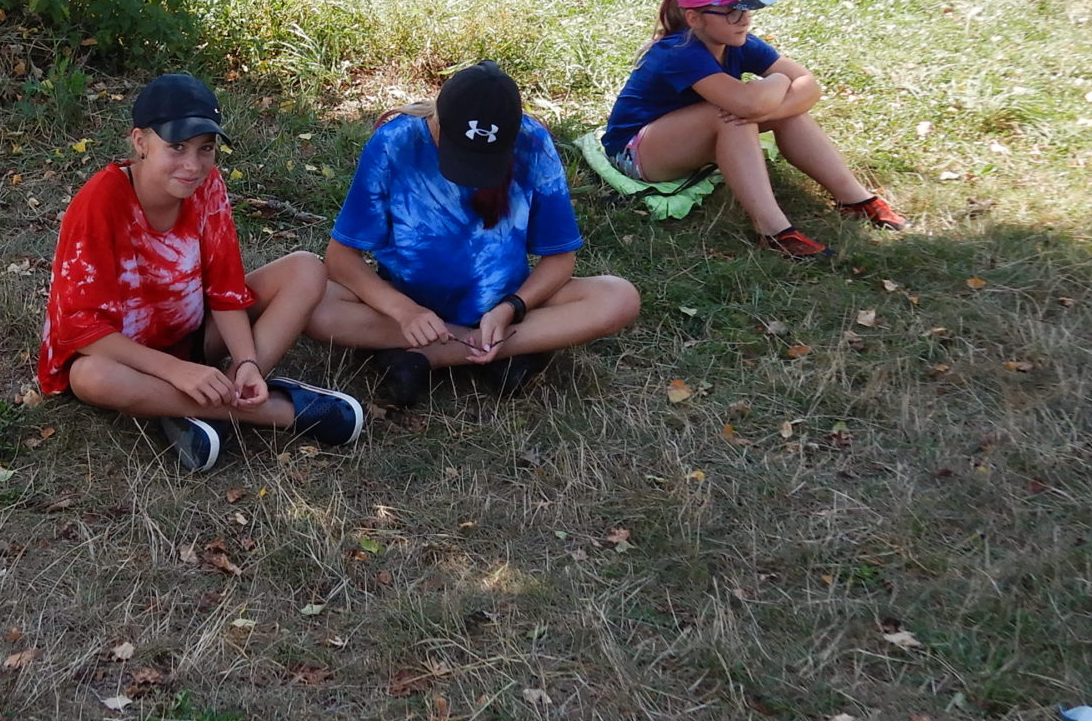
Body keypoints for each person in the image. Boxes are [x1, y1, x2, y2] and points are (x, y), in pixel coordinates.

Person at [36, 73, 364, 473]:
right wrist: (176, 371)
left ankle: (224, 390)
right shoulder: (100, 201)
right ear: (140, 142)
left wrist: (247, 361)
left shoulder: (207, 186)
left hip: (190, 338)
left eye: (205, 148)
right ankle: (277, 411)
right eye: (176, 147)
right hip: (121, 358)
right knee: (91, 378)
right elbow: (80, 330)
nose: (193, 165)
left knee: (306, 268)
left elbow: (226, 291)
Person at [307, 61, 640, 406]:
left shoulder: (533, 143)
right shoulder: (394, 142)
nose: (469, 173)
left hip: (502, 302)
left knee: (618, 297)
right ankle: (504, 351)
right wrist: (404, 311)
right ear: (437, 120)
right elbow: (340, 258)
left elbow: (560, 260)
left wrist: (511, 308)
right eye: (459, 153)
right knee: (314, 307)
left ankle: (427, 355)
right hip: (407, 300)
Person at [601, 0, 902, 262]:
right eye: (732, 12)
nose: (744, 20)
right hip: (634, 153)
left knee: (781, 112)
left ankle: (853, 198)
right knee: (730, 115)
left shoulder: (739, 43)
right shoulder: (679, 52)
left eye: (747, 9)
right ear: (694, 18)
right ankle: (772, 229)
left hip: (682, 141)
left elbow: (810, 86)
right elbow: (748, 103)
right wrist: (779, 81)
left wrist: (769, 109)